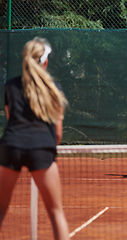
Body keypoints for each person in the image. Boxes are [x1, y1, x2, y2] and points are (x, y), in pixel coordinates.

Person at [0, 37, 69, 240]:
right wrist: (44, 149)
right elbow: (57, 134)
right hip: (41, 148)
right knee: (56, 212)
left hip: (10, 146)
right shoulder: (54, 88)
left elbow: (12, 119)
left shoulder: (10, 86)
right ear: (45, 61)